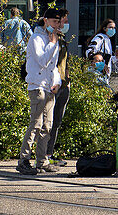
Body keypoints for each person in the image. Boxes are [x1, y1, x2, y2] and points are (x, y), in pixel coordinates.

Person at [17, 9, 62, 175]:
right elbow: (43, 61)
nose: (58, 25)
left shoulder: (52, 39)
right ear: (46, 20)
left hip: (49, 87)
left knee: (47, 126)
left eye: (59, 22)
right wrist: (52, 43)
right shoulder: (36, 38)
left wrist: (57, 82)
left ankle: (42, 161)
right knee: (35, 124)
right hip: (37, 85)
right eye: (55, 22)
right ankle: (24, 159)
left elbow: (54, 66)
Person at [45, 9, 72, 166]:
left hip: (63, 84)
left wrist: (67, 79)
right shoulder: (47, 38)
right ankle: (42, 155)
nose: (66, 24)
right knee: (47, 121)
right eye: (64, 21)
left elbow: (65, 63)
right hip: (52, 85)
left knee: (56, 121)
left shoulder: (61, 39)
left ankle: (49, 153)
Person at [86, 18, 118, 86]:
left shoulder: (107, 39)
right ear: (104, 28)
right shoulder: (100, 38)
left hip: (104, 74)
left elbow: (107, 58)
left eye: (114, 28)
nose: (112, 29)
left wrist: (116, 57)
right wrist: (100, 63)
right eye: (110, 27)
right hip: (98, 73)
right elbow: (89, 51)